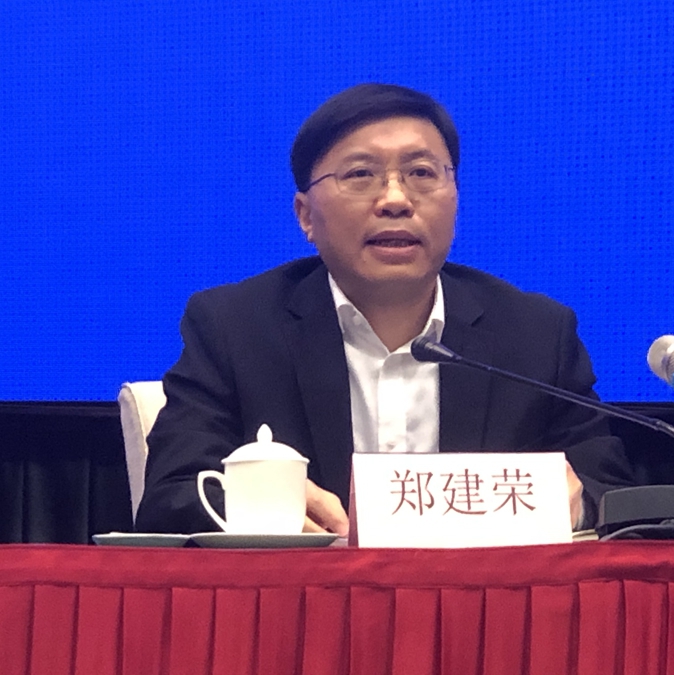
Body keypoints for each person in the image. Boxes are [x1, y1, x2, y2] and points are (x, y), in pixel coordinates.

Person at [135, 83, 634, 535]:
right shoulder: (234, 326)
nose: (396, 199)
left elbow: (612, 494)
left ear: (455, 198)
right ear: (305, 216)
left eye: (421, 173)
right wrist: (258, 504)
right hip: (307, 599)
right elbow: (170, 496)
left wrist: (575, 505)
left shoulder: (535, 334)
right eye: (361, 175)